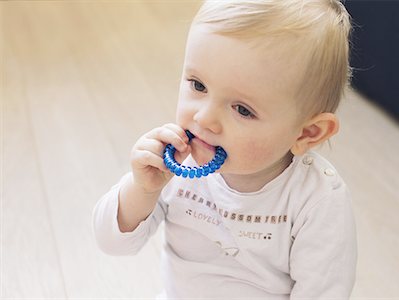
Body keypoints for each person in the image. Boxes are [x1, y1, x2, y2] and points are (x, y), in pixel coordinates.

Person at [93, 0, 357, 298]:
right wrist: (142, 189)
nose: (204, 118)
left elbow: (322, 292)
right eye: (198, 85)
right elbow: (111, 243)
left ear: (308, 132)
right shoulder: (178, 164)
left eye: (242, 110)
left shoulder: (316, 202)